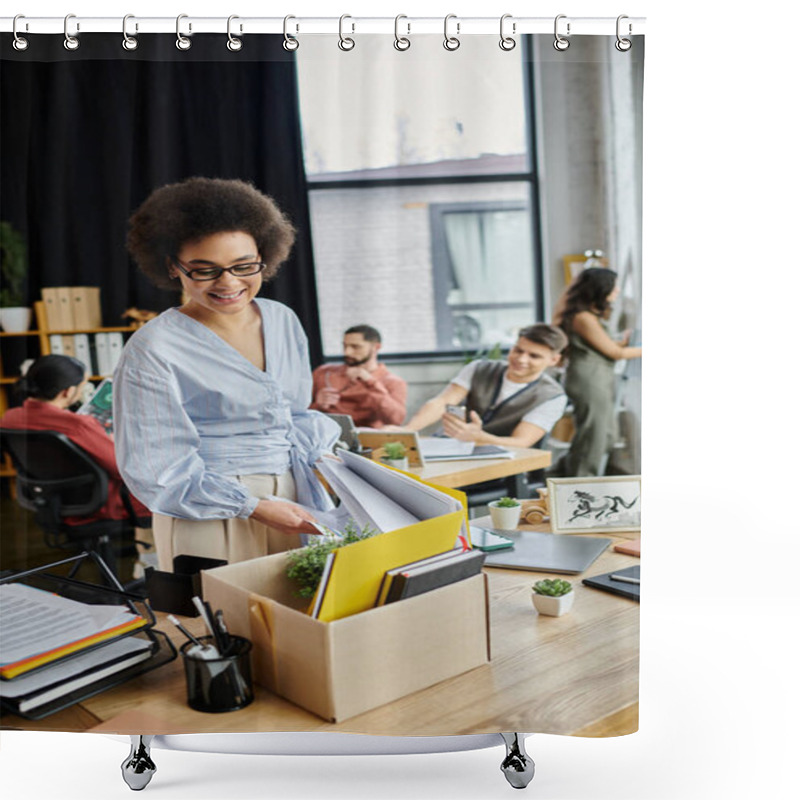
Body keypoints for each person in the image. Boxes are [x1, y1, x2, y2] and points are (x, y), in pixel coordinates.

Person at [113, 177, 341, 571]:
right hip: (208, 508)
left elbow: (296, 415)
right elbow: (158, 467)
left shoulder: (282, 320)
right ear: (172, 266)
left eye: (244, 266)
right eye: (205, 271)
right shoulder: (153, 349)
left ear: (265, 255)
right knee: (219, 623)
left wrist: (326, 461)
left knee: (298, 620)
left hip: (292, 493)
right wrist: (251, 506)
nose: (229, 283)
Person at [0, 354, 149, 524]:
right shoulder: (79, 425)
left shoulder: (9, 418)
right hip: (101, 501)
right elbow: (123, 469)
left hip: (50, 497)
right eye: (82, 387)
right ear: (68, 392)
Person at [404, 324, 568, 449]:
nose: (521, 359)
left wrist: (479, 437)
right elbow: (442, 402)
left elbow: (521, 442)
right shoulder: (478, 368)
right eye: (518, 350)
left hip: (497, 460)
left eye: (534, 356)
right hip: (448, 446)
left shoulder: (553, 397)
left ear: (553, 360)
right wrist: (408, 430)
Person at [552, 267, 642, 477]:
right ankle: (580, 483)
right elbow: (615, 352)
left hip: (597, 378)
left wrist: (624, 341)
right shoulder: (583, 317)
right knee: (594, 436)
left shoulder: (590, 316)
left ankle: (565, 474)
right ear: (601, 288)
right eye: (614, 285)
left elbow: (606, 346)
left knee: (607, 435)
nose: (618, 290)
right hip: (588, 380)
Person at [310, 325, 407, 428]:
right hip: (322, 438)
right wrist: (317, 405)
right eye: (345, 346)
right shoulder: (323, 373)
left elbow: (396, 420)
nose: (347, 352)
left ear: (376, 347)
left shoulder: (393, 382)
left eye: (355, 347)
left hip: (367, 441)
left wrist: (370, 382)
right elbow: (296, 414)